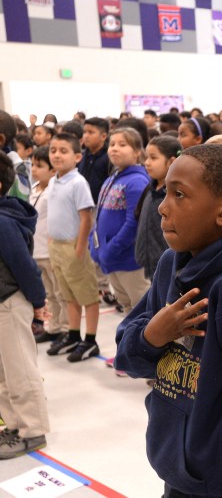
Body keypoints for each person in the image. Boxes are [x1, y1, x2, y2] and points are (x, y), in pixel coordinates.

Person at [114, 144, 222, 498]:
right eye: (166, 192)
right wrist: (152, 335)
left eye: (180, 195)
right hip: (176, 466)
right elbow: (126, 358)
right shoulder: (170, 264)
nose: (162, 207)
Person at [0, 151, 50, 459]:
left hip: (9, 303)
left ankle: (32, 431)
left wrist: (38, 302)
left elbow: (24, 266)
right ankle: (14, 426)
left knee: (20, 369)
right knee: (4, 373)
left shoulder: (3, 222)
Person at [45, 133, 100, 362]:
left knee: (87, 294)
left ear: (77, 156)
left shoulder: (78, 182)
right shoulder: (53, 180)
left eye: (63, 150)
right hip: (56, 247)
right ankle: (73, 335)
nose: (57, 154)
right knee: (68, 294)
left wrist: (80, 246)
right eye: (53, 150)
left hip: (73, 247)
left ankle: (90, 340)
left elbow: (86, 217)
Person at [90, 127, 151, 316]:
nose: (114, 148)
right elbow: (99, 216)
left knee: (142, 309)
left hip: (129, 260)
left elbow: (133, 223)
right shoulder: (112, 179)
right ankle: (131, 344)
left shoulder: (137, 181)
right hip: (111, 259)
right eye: (112, 144)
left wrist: (111, 248)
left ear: (137, 152)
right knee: (126, 306)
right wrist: (95, 245)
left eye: (122, 145)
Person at [29, 146, 68, 344]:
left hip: (51, 249)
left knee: (61, 291)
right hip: (37, 249)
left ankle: (66, 328)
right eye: (33, 164)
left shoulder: (54, 190)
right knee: (49, 293)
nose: (34, 169)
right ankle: (53, 328)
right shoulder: (34, 188)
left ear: (52, 170)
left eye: (40, 166)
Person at [135, 136, 179, 281]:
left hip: (169, 266)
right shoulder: (150, 189)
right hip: (149, 263)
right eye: (146, 157)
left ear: (172, 161)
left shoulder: (177, 195)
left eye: (153, 158)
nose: (147, 163)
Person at [78, 117, 110, 203]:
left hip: (100, 204)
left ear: (103, 136)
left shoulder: (109, 158)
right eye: (84, 132)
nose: (86, 136)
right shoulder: (82, 155)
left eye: (91, 132)